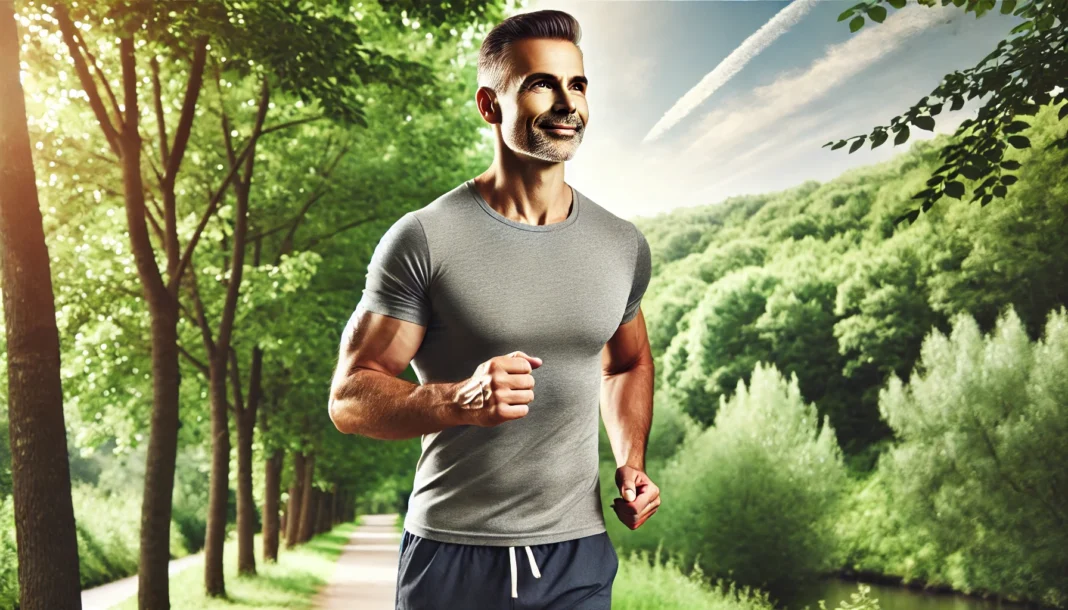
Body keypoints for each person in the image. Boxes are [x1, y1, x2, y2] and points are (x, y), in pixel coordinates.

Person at [328, 9, 660, 609]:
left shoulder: (620, 244)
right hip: (454, 555)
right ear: (489, 105)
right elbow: (350, 398)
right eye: (541, 84)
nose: (568, 103)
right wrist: (455, 400)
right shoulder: (426, 237)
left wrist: (631, 462)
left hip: (577, 552)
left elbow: (627, 363)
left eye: (578, 84)